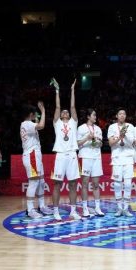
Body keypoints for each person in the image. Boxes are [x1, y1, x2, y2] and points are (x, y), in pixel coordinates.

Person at [51, 78, 81, 221]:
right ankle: (55, 211)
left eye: (66, 112)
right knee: (57, 183)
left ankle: (73, 211)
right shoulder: (56, 123)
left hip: (72, 155)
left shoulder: (73, 122)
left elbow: (73, 106)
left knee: (73, 183)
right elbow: (57, 107)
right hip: (61, 155)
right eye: (63, 112)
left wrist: (72, 90)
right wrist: (57, 90)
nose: (64, 112)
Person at [20, 102, 54, 218]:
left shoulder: (27, 124)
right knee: (34, 182)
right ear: (31, 114)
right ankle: (30, 210)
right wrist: (43, 111)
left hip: (35, 156)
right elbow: (41, 126)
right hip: (31, 156)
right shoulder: (27, 123)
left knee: (41, 181)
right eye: (35, 114)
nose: (36, 115)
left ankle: (42, 206)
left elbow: (38, 124)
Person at [77, 108, 105, 217]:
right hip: (85, 157)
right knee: (84, 184)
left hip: (96, 157)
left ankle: (97, 208)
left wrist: (96, 140)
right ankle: (85, 209)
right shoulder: (81, 128)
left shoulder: (98, 129)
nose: (95, 117)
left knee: (96, 184)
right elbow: (78, 143)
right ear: (88, 116)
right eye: (93, 115)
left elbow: (101, 144)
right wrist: (87, 138)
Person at [107, 108, 135, 217]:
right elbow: (111, 143)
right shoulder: (112, 127)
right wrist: (119, 137)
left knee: (128, 184)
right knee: (118, 184)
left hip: (128, 158)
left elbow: (132, 142)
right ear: (117, 116)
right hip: (117, 158)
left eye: (124, 114)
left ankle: (126, 208)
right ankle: (119, 208)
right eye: (120, 114)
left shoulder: (130, 127)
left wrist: (125, 135)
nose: (122, 115)